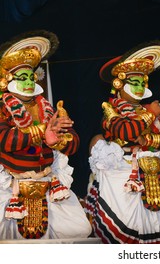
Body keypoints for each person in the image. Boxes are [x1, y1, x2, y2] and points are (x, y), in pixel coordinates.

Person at [85, 41, 160, 244]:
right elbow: (126, 132)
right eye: (133, 82)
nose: (138, 87)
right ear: (119, 84)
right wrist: (148, 116)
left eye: (141, 82)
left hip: (155, 173)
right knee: (125, 228)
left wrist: (147, 139)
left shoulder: (154, 109)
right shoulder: (112, 110)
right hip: (123, 172)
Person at [0, 30, 92, 239]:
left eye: (31, 77)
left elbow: (74, 142)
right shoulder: (2, 108)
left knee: (80, 230)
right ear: (8, 80)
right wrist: (42, 132)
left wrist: (58, 141)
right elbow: (4, 140)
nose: (29, 82)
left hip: (48, 181)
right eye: (22, 78)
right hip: (10, 184)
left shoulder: (49, 109)